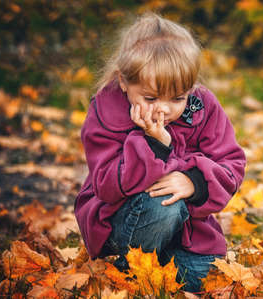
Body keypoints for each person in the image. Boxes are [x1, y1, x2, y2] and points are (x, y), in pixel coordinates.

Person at [74, 12, 246, 293]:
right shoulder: (106, 110)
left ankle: (150, 272)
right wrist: (155, 145)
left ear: (191, 88)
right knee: (164, 201)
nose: (164, 109)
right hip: (123, 224)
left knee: (205, 279)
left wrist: (194, 182)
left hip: (188, 234)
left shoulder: (203, 107)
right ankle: (128, 268)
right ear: (124, 82)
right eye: (151, 98)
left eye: (178, 98)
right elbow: (106, 185)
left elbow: (232, 163)